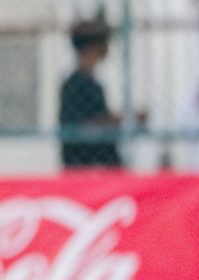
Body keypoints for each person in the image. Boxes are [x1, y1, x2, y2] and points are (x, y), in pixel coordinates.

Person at [59, 14, 140, 168]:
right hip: (83, 164)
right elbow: (82, 127)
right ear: (92, 46)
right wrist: (120, 118)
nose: (107, 46)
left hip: (101, 162)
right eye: (104, 41)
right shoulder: (74, 85)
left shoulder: (93, 84)